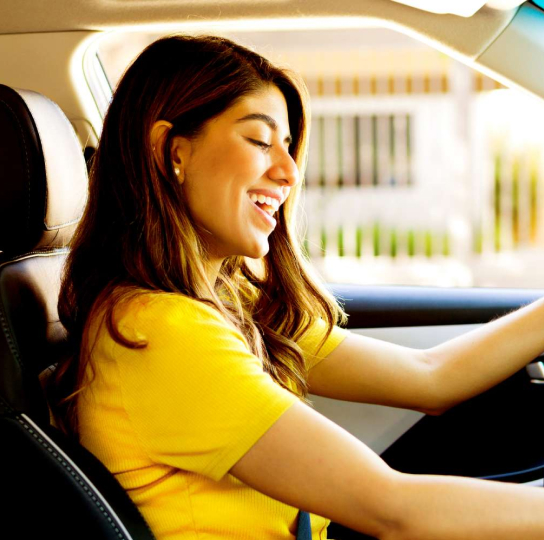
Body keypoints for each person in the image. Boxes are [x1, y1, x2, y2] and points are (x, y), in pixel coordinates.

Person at [47, 34, 544, 540]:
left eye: (287, 147)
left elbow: (429, 377)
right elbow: (393, 510)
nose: (288, 173)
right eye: (260, 141)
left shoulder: (223, 303)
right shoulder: (162, 332)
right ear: (171, 151)